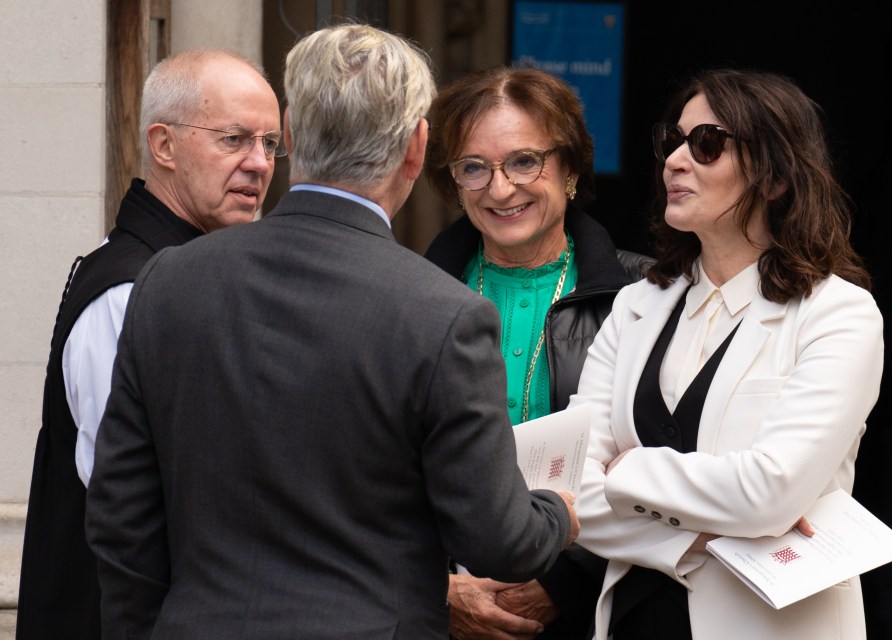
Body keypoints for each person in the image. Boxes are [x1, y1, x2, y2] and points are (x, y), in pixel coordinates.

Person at [84, 23, 579, 640]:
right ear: (417, 147)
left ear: (289, 131)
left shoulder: (168, 280)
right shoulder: (443, 315)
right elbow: (500, 540)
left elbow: (121, 522)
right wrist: (559, 513)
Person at [568, 68, 883, 639]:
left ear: (775, 177)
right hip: (632, 620)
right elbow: (572, 493)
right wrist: (706, 537)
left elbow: (769, 492)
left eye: (706, 143)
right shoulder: (635, 306)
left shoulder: (838, 314)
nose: (675, 161)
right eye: (673, 140)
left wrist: (628, 469)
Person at [16, 49, 281, 640]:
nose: (259, 164)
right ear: (163, 145)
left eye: (270, 144)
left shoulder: (190, 273)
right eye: (234, 139)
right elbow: (134, 510)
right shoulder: (129, 292)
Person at [423, 66, 650, 640]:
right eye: (474, 168)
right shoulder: (409, 298)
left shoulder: (646, 297)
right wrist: (436, 590)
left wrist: (565, 582)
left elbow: (671, 462)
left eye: (525, 161)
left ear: (570, 167)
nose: (500, 189)